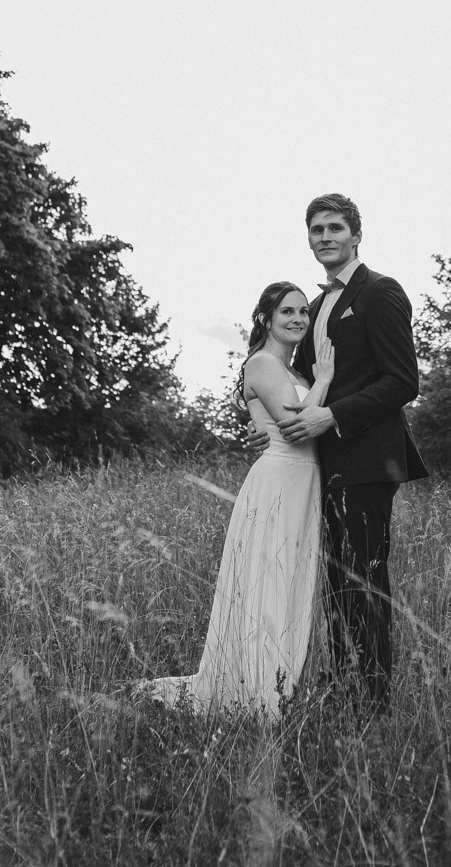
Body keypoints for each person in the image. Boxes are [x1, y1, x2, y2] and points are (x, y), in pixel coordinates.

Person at [138, 282, 335, 717]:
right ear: (265, 318)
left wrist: (314, 382)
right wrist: (324, 381)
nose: (298, 319)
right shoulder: (263, 363)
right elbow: (295, 426)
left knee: (289, 583)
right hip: (278, 482)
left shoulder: (295, 372)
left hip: (305, 482)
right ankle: (258, 692)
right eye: (287, 311)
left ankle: (278, 684)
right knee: (269, 582)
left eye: (304, 311)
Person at [276, 193, 429, 710]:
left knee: (364, 581)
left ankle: (374, 702)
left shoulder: (381, 292)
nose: (325, 237)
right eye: (317, 229)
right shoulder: (316, 306)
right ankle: (344, 691)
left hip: (367, 461)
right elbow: (305, 384)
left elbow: (402, 381)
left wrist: (334, 416)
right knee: (336, 583)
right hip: (322, 464)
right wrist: (268, 423)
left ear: (356, 235)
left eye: (335, 228)